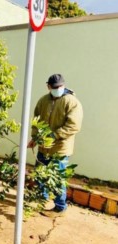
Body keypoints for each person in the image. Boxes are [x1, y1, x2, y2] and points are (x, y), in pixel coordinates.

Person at [28, 73, 83, 218]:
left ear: (64, 86)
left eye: (60, 86)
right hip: (43, 147)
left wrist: (54, 135)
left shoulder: (72, 102)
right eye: (55, 87)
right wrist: (35, 138)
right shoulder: (43, 101)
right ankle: (41, 199)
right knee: (40, 175)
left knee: (57, 178)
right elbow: (36, 122)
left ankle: (60, 208)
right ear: (48, 87)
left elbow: (74, 125)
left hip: (60, 148)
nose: (58, 89)